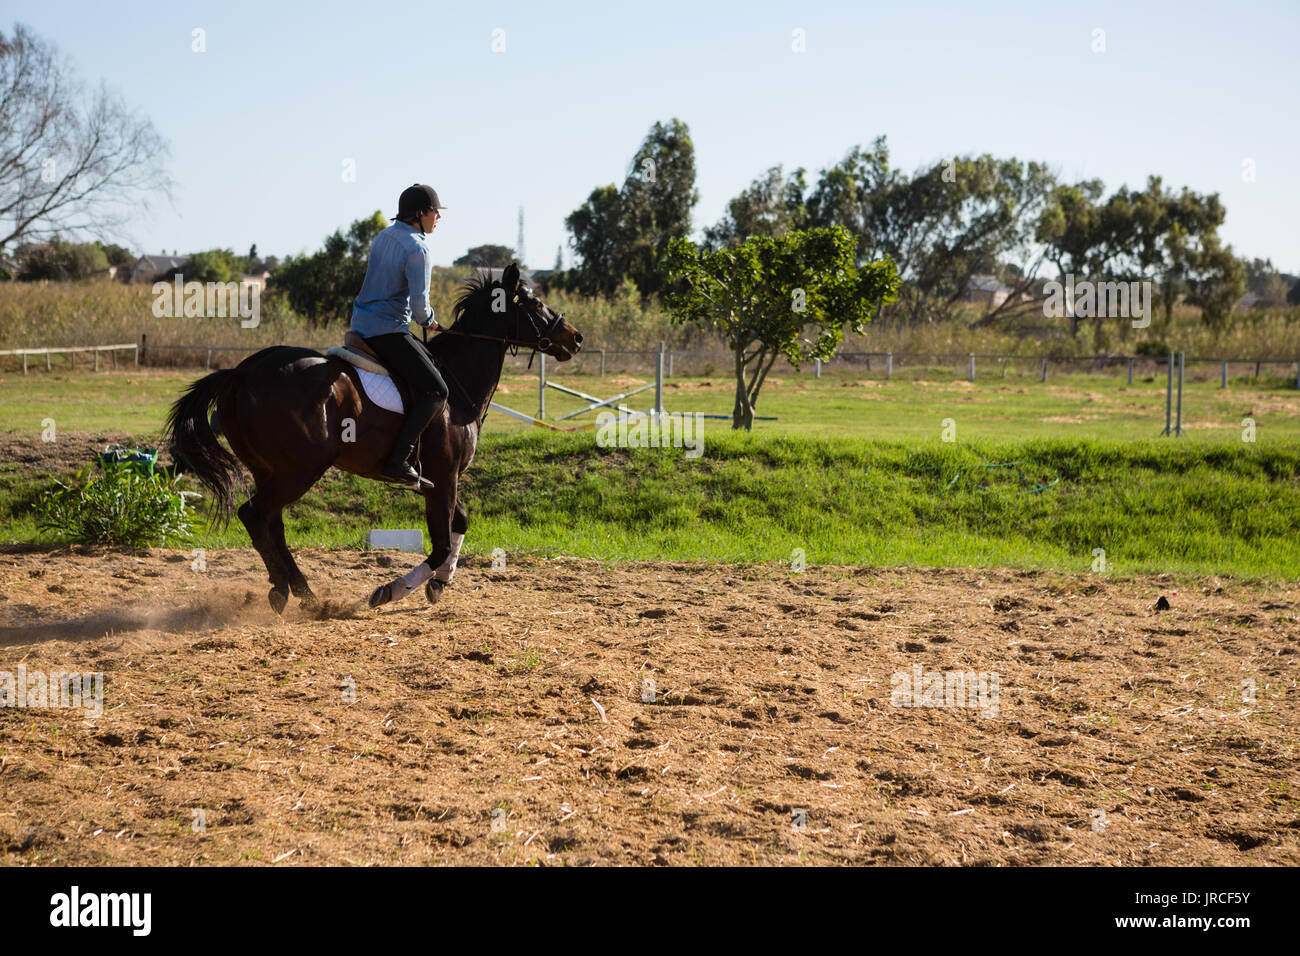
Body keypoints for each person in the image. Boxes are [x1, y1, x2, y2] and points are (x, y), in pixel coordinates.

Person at [350, 184, 450, 485]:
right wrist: (431, 322)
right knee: (436, 390)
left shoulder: (384, 236)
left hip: (360, 325)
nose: (438, 218)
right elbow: (420, 309)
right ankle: (398, 460)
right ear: (420, 213)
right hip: (388, 331)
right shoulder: (418, 248)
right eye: (435, 212)